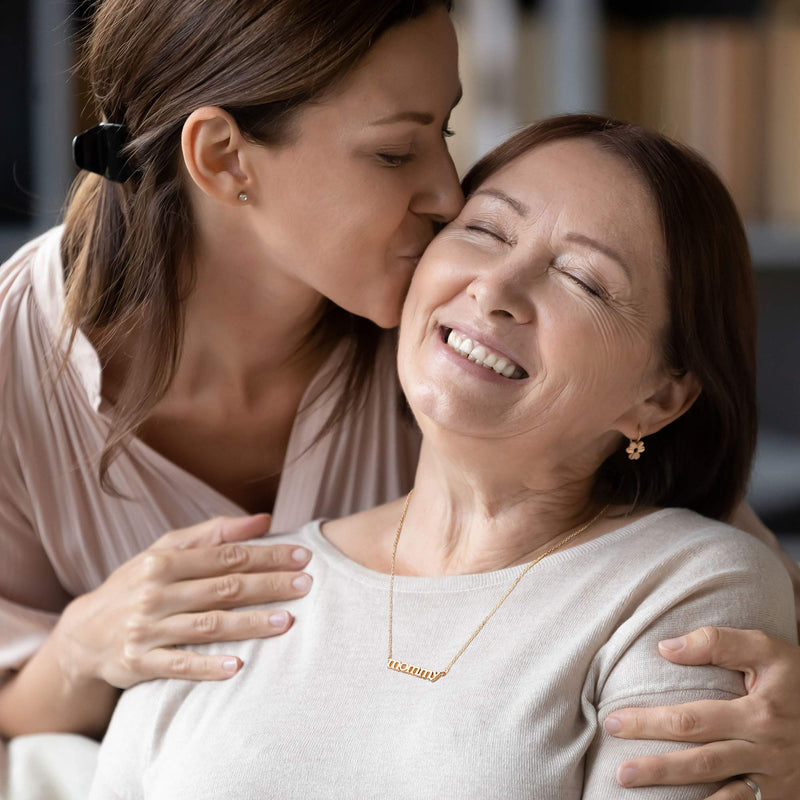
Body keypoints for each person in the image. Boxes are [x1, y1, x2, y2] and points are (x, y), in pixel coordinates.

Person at [0, 0, 797, 796]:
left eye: (446, 134)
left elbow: (714, 570)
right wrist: (79, 650)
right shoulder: (18, 360)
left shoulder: (454, 335)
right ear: (223, 157)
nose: (450, 196)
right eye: (393, 152)